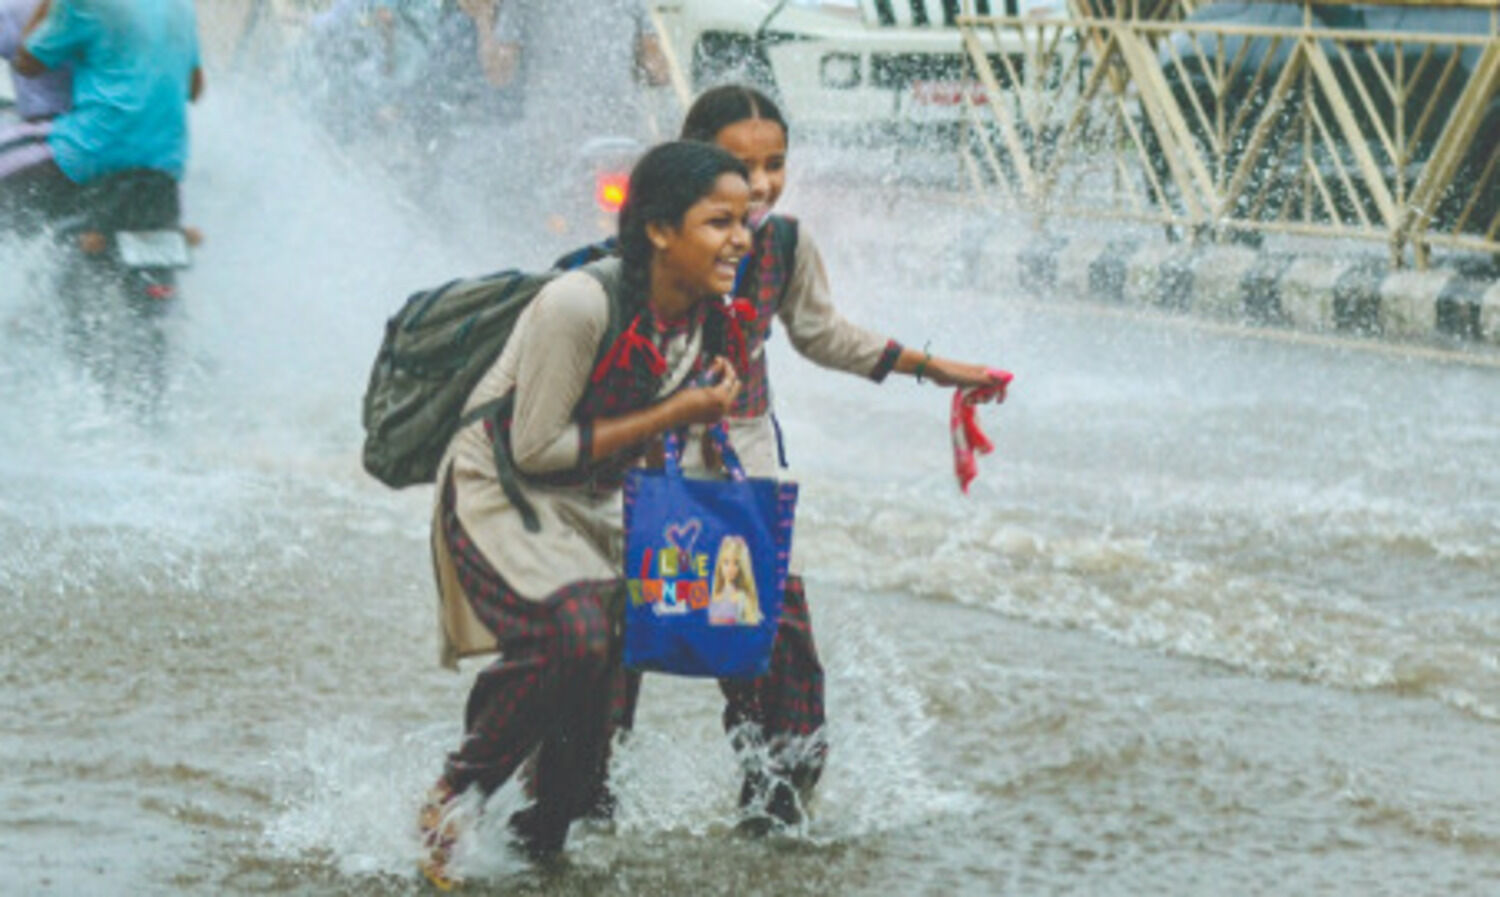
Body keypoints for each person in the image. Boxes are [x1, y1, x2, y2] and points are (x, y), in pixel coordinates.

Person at [663, 84, 1010, 831]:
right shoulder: (654, 241)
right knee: (605, 666)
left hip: (739, 490)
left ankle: (770, 831)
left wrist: (935, 367)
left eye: (775, 164)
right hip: (645, 484)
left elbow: (822, 334)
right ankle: (565, 823)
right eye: (737, 165)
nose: (759, 184)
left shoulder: (783, 246)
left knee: (777, 666)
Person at [418, 139, 752, 889]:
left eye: (746, 222)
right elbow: (536, 447)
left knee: (603, 672)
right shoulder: (579, 302)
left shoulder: (704, 317)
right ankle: (453, 797)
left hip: (596, 498)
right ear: (660, 230)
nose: (740, 239)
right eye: (718, 221)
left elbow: (687, 445)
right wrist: (678, 409)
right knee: (569, 630)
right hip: (503, 486)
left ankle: (542, 842)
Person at [6, 0, 202, 218]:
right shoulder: (182, 5)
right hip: (166, 167)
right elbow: (194, 89)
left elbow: (27, 63)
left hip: (92, 151)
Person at [708, 534, 762, 626]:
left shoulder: (742, 598)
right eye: (726, 562)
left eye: (736, 563)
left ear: (741, 566)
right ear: (720, 564)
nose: (730, 568)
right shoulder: (714, 595)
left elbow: (750, 626)